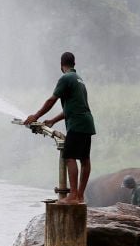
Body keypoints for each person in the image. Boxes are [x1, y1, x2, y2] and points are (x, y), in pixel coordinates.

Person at [24, 52, 96, 204]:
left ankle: (73, 196)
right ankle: (80, 196)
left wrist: (35, 116)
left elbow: (51, 100)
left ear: (61, 66)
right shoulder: (79, 79)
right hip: (86, 122)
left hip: (76, 124)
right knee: (84, 159)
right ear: (74, 64)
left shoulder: (65, 78)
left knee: (69, 157)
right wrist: (52, 121)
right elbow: (72, 108)